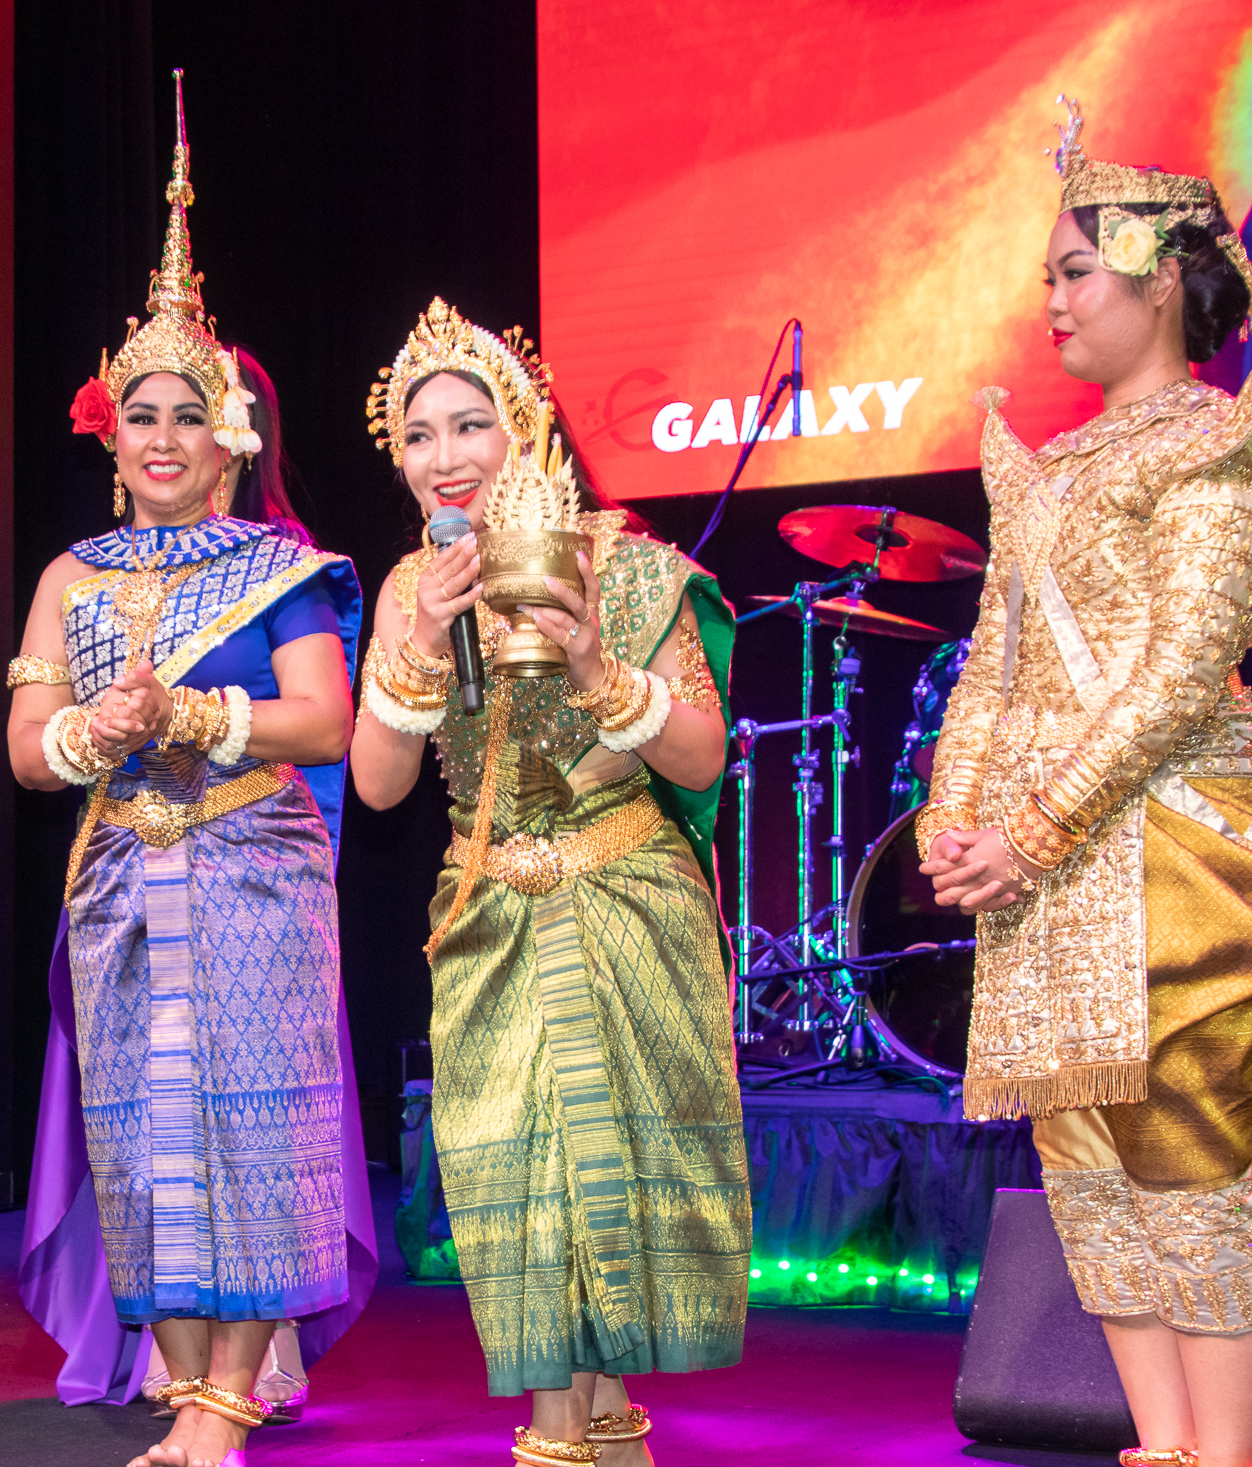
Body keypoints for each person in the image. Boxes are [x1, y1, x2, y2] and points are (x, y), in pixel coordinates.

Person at [918, 100, 1252, 1467]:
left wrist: (1031, 828)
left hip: (1169, 855)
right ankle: (1161, 1445)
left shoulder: (1218, 445)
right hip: (1043, 871)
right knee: (1089, 1178)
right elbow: (990, 666)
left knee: (1185, 1171)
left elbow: (1176, 672)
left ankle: (1228, 1455)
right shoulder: (1050, 468)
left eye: (1073, 271)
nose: (1049, 300)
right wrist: (953, 818)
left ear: (1159, 280)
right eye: (1047, 275)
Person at [6, 73, 361, 1467]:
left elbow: (323, 723)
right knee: (143, 1125)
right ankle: (184, 1371)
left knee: (251, 1121)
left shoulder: (282, 566)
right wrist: (93, 735)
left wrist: (196, 713)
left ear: (233, 438)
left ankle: (228, 1397)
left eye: (187, 416)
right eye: (140, 414)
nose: (160, 438)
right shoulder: (71, 574)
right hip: (119, 872)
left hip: (251, 860)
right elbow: (28, 751)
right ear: (112, 433)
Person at [349, 297, 750, 1467]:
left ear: (523, 427)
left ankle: (575, 1432)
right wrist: (418, 651)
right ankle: (584, 1431)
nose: (443, 457)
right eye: (417, 436)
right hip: (484, 912)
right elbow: (376, 785)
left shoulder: (626, 568)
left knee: (608, 1175)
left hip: (624, 895)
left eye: (469, 425)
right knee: (514, 1177)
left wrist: (594, 665)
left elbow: (700, 756)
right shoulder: (408, 589)